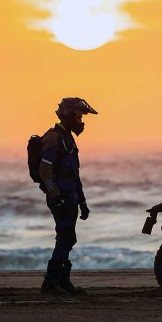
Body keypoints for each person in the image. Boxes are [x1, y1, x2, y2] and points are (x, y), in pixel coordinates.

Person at [39, 97, 98, 294]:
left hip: (71, 197)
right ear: (68, 114)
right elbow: (45, 172)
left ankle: (62, 281)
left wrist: (82, 201)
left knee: (67, 238)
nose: (81, 120)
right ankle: (50, 283)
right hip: (61, 198)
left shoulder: (68, 138)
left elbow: (74, 173)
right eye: (79, 115)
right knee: (66, 236)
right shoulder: (53, 138)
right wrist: (57, 198)